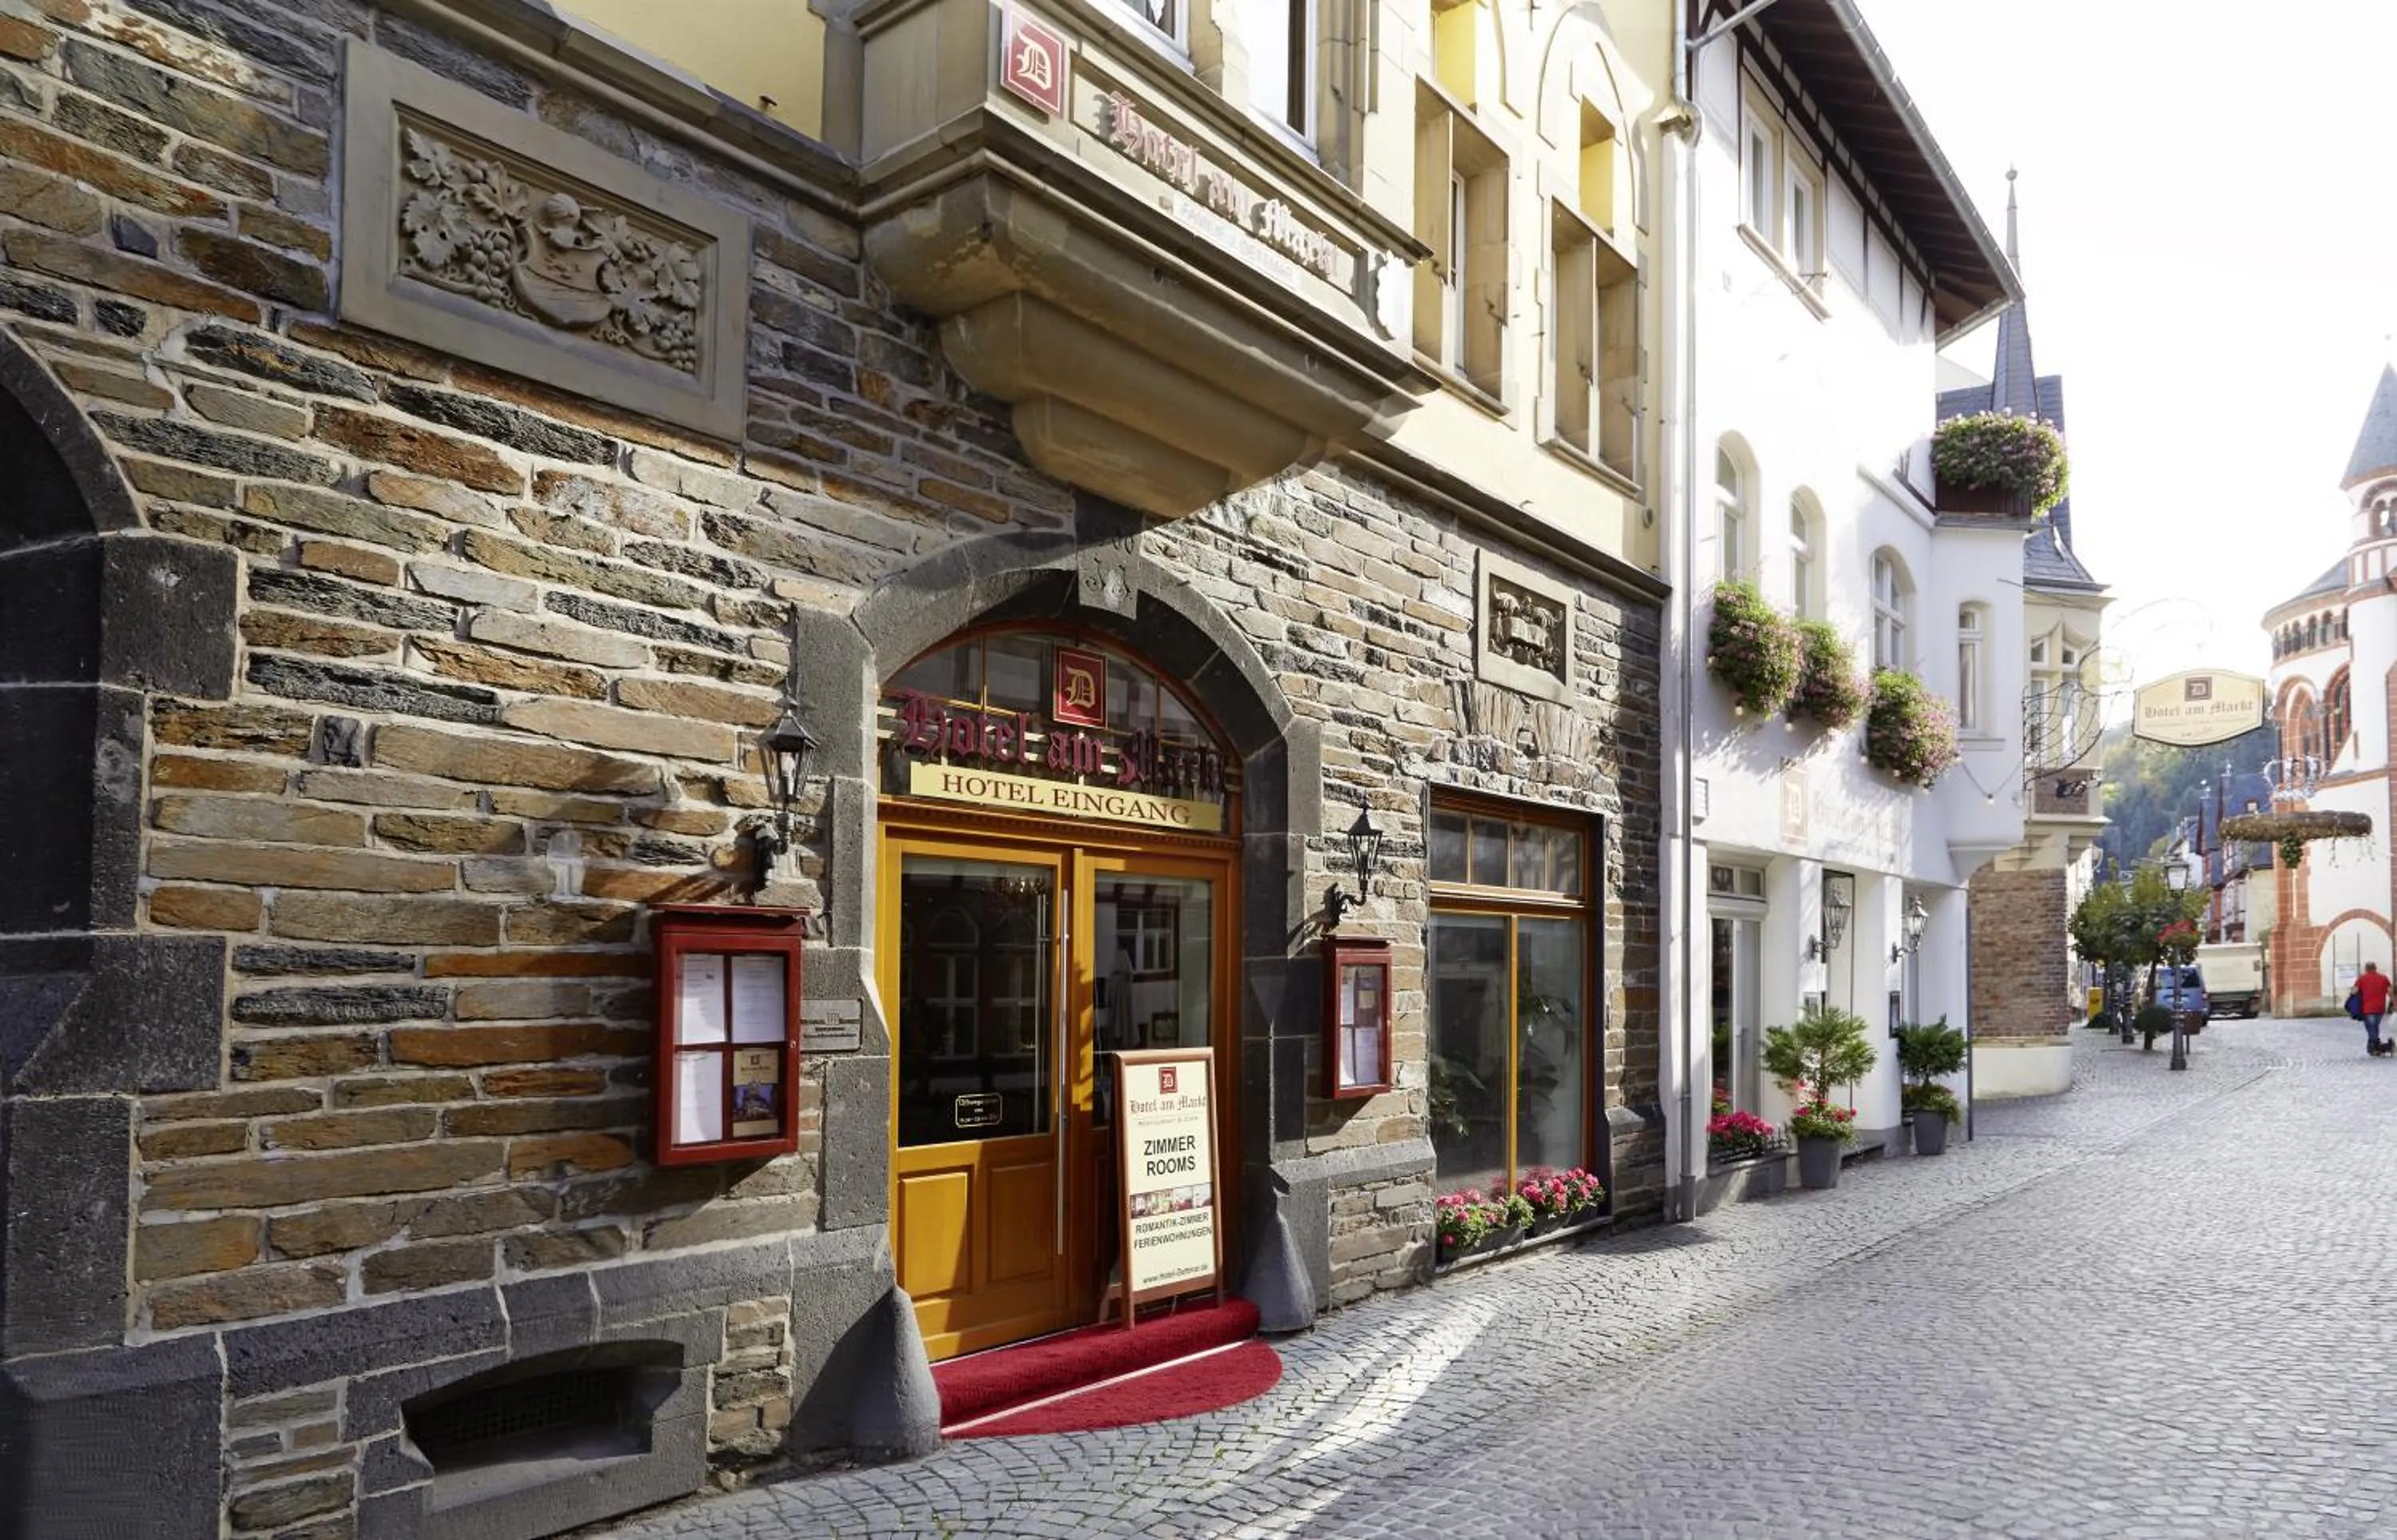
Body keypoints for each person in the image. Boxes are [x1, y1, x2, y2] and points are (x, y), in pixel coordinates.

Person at [2360, 962, 2393, 1057]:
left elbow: (2355, 990)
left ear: (2366, 969)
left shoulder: (2362, 978)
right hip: (2380, 1008)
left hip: (2367, 1008)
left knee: (2371, 1028)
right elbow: (2390, 992)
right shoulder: (2383, 978)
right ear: (2375, 968)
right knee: (2375, 1026)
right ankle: (2372, 1047)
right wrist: (2394, 1003)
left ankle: (2376, 1045)